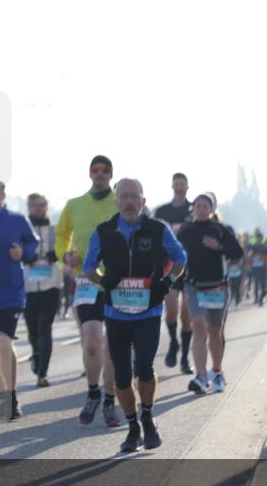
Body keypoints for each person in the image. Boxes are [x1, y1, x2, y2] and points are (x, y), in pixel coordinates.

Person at [83, 178, 186, 453]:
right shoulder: (104, 232)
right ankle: (132, 427)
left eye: (134, 196)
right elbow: (89, 267)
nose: (129, 201)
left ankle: (148, 417)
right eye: (124, 196)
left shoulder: (157, 230)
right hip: (115, 313)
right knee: (122, 377)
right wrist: (104, 281)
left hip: (148, 311)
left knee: (144, 369)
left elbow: (180, 259)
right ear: (116, 201)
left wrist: (167, 283)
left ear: (143, 201)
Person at [54, 155, 120, 427]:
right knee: (92, 341)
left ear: (111, 174)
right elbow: (60, 236)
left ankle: (110, 400)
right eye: (95, 170)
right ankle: (93, 392)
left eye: (105, 170)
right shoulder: (74, 205)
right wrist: (64, 257)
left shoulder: (121, 201)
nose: (100, 174)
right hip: (86, 281)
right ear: (89, 174)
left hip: (117, 282)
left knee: (114, 347)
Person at [0, 178, 38, 420]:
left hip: (11, 292)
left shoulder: (16, 220)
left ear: (3, 194)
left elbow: (33, 243)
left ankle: (12, 399)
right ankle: (2, 395)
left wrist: (23, 252)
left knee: (4, 342)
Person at [175, 193, 243, 394]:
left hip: (217, 287)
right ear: (193, 209)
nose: (202, 209)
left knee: (215, 331)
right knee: (198, 326)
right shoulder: (186, 231)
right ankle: (201, 375)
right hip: (193, 286)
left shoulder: (220, 230)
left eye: (206, 206)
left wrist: (220, 247)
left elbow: (237, 253)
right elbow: (173, 253)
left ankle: (217, 371)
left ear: (212, 210)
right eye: (198, 205)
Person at [154, 172, 193, 374]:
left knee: (187, 317)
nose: (179, 187)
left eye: (182, 184)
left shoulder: (194, 210)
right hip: (169, 267)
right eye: (176, 184)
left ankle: (185, 358)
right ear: (172, 186)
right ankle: (173, 343)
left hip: (190, 268)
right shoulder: (162, 211)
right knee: (170, 312)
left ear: (187, 187)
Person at [23, 193, 63, 387]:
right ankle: (36, 353)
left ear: (47, 207)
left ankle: (43, 373)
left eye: (42, 205)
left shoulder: (55, 230)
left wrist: (55, 254)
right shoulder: (22, 229)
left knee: (44, 326)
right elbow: (13, 250)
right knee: (32, 329)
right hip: (28, 287)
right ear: (29, 207)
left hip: (51, 285)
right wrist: (26, 256)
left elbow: (65, 249)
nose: (39, 208)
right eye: (35, 205)